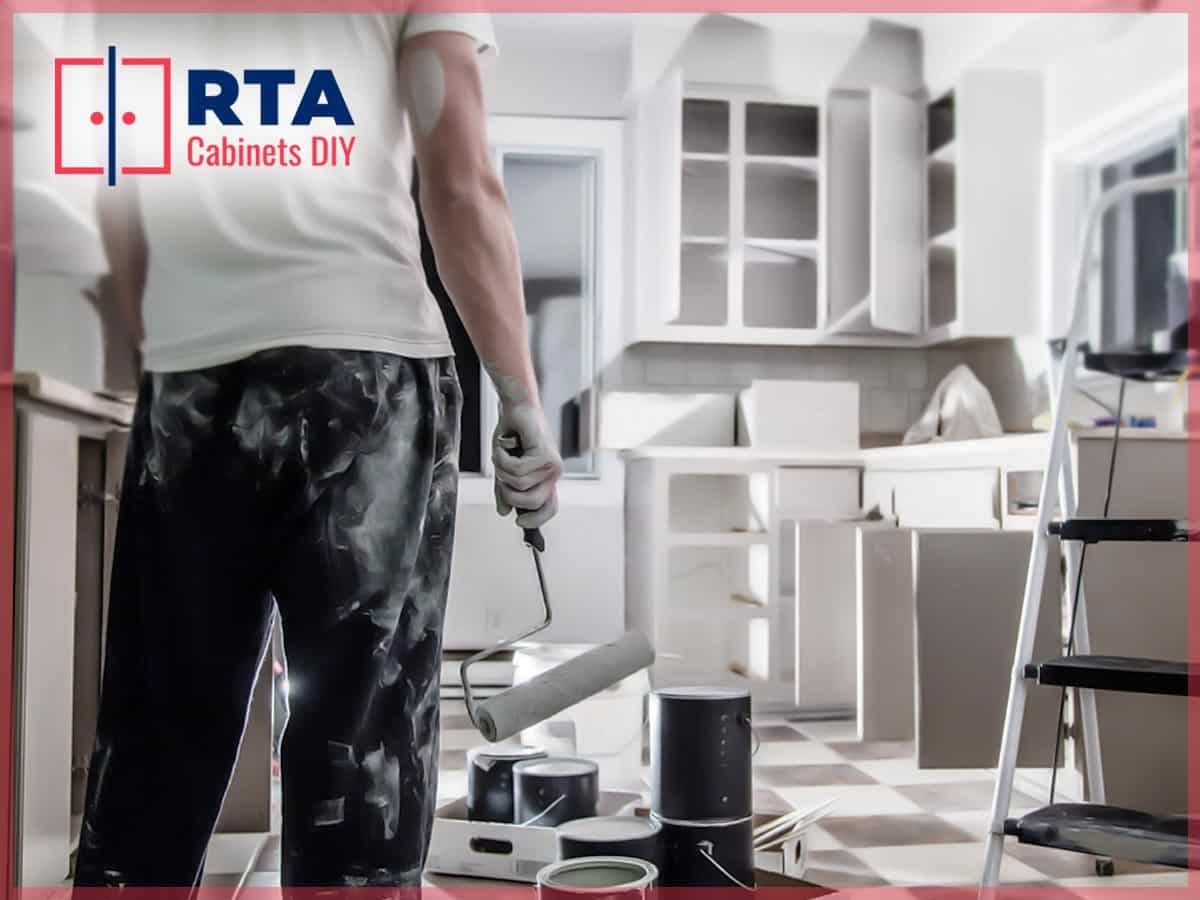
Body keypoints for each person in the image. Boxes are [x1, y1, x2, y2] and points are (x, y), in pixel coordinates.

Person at [72, 8, 563, 889]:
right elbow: (459, 185)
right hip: (367, 377)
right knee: (362, 749)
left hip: (193, 381)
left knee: (157, 735)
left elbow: (115, 175)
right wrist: (519, 392)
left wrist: (141, 356)